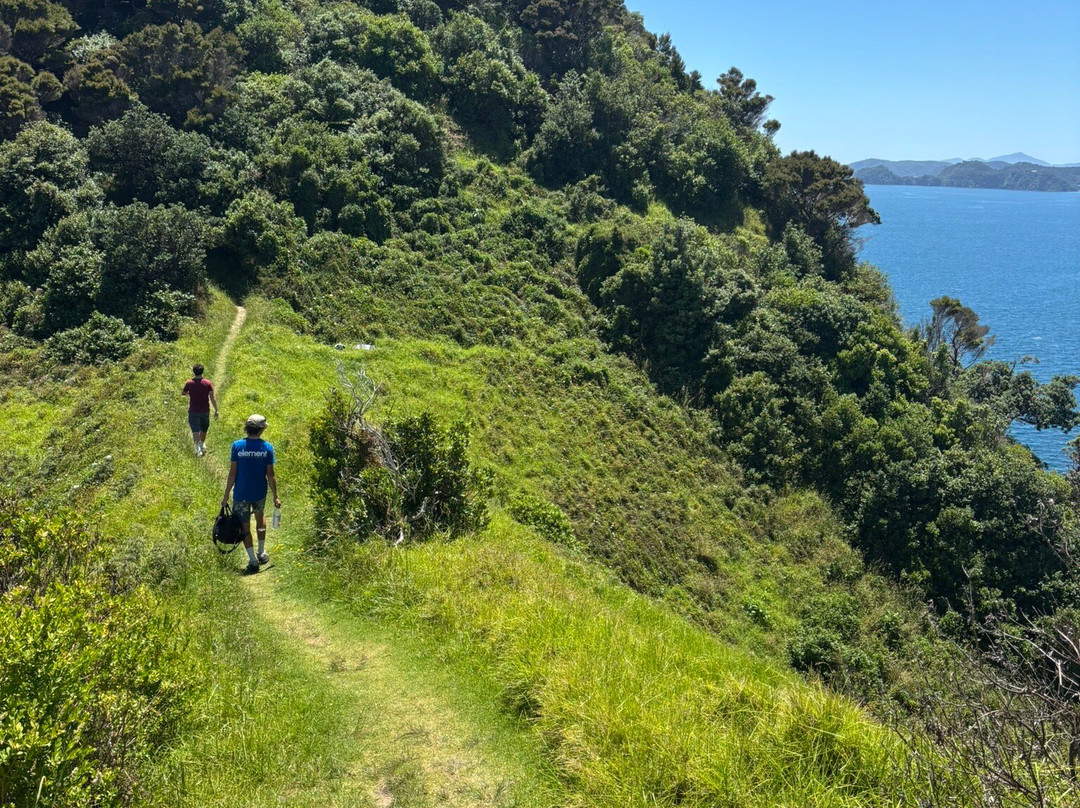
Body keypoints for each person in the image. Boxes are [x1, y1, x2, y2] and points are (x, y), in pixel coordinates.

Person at [221, 414, 281, 575]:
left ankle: (252, 560)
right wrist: (275, 495)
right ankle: (261, 552)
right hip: (259, 491)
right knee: (260, 519)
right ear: (261, 430)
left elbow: (232, 473)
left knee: (244, 526)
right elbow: (270, 475)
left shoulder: (237, 446)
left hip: (241, 493)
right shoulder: (267, 448)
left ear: (247, 428)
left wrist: (226, 495)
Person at [182, 364, 218, 457]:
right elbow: (212, 398)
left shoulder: (189, 383)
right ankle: (202, 444)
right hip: (205, 410)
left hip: (193, 410)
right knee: (204, 428)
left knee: (195, 430)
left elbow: (183, 393)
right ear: (203, 371)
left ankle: (198, 449)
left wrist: (190, 394)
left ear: (193, 372)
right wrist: (216, 410)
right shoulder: (208, 383)